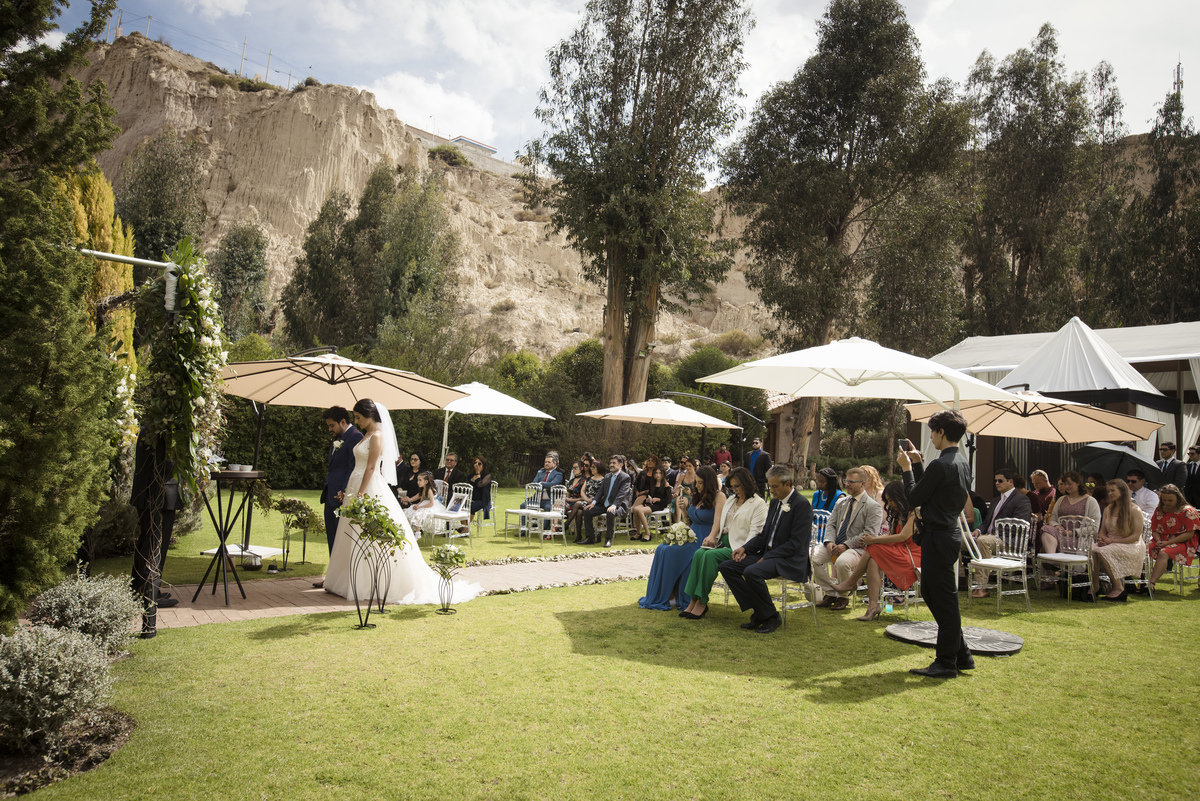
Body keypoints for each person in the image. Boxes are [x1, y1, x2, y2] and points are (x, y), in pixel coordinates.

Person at [323, 398, 482, 605]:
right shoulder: (364, 436)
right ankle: (346, 579)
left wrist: (361, 493)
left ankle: (371, 581)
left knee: (369, 532)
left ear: (370, 416)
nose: (357, 421)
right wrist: (348, 491)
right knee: (352, 532)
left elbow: (371, 468)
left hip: (368, 486)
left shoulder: (377, 436)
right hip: (355, 483)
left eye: (359, 417)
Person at [898, 409, 973, 678]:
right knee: (934, 594)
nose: (930, 436)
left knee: (943, 599)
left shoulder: (942, 464)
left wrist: (907, 469)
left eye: (932, 431)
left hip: (938, 536)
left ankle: (946, 661)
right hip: (946, 534)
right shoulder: (960, 461)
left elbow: (914, 496)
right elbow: (933, 490)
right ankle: (961, 653)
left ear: (941, 432)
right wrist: (918, 465)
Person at [718, 464, 813, 634]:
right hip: (769, 555)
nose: (771, 490)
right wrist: (744, 548)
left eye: (775, 486)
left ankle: (771, 616)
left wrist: (767, 558)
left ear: (788, 484)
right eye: (770, 486)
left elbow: (796, 543)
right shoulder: (776, 502)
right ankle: (760, 611)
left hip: (789, 559)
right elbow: (763, 535)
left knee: (752, 572)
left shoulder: (802, 504)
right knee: (727, 566)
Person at [679, 467, 766, 619]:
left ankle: (702, 601)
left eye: (737, 486)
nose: (735, 490)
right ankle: (693, 599)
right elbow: (720, 522)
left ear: (746, 483)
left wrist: (744, 549)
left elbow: (756, 532)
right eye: (732, 487)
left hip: (740, 545)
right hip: (723, 541)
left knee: (709, 557)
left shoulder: (758, 503)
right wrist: (713, 538)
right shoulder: (731, 499)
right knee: (699, 553)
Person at [829, 481, 922, 621]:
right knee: (873, 559)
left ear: (900, 497)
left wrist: (874, 540)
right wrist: (872, 538)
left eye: (891, 500)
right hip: (900, 551)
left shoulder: (916, 512)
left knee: (874, 547)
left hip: (912, 555)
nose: (889, 504)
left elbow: (903, 537)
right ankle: (873, 606)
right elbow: (890, 535)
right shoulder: (898, 514)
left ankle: (852, 581)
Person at [640, 466, 725, 610]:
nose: (697, 486)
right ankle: (666, 594)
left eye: (700, 483)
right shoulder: (697, 496)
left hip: (705, 538)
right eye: (696, 483)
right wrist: (685, 510)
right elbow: (691, 521)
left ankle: (673, 595)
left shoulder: (719, 496)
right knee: (662, 548)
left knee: (669, 551)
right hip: (691, 534)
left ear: (709, 482)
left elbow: (718, 522)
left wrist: (711, 537)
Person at [811, 467, 884, 610]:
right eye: (846, 480)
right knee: (811, 556)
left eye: (851, 482)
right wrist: (829, 542)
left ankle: (843, 597)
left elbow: (869, 534)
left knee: (842, 563)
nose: (847, 484)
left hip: (858, 548)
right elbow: (830, 525)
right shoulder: (841, 503)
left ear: (862, 483)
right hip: (835, 544)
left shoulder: (873, 506)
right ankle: (831, 592)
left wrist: (846, 545)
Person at [130, 430, 182, 624]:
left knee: (146, 542)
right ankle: (150, 591)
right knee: (156, 545)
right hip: (160, 495)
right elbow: (165, 465)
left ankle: (138, 588)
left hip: (145, 494)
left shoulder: (147, 430)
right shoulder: (164, 432)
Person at [968, 469, 1032, 599]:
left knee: (983, 541)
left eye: (1000, 480)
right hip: (990, 538)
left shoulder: (1022, 500)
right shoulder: (996, 500)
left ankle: (981, 587)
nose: (997, 483)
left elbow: (1019, 526)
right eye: (995, 481)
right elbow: (986, 522)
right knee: (957, 538)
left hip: (1010, 543)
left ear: (1010, 482)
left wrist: (992, 535)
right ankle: (960, 579)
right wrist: (978, 530)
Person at [1090, 479, 1147, 602]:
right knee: (1093, 549)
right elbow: (1103, 530)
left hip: (1130, 544)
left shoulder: (1134, 510)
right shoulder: (1108, 509)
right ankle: (1096, 585)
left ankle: (1118, 588)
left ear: (1122, 491)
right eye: (1108, 491)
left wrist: (1110, 541)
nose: (1110, 493)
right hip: (1110, 541)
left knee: (1102, 552)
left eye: (1112, 491)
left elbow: (1136, 536)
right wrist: (1102, 539)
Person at [319, 406, 363, 561]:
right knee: (332, 537)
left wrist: (345, 491)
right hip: (331, 493)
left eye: (332, 425)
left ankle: (342, 578)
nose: (330, 429)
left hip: (341, 495)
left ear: (343, 422)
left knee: (342, 538)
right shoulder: (340, 437)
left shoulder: (355, 437)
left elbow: (353, 468)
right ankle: (333, 577)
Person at [1148, 484, 1200, 588]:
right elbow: (1154, 529)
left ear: (1178, 498)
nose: (1167, 503)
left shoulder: (1187, 512)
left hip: (1183, 542)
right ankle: (1140, 581)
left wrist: (1167, 543)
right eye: (1164, 500)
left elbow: (1189, 534)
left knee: (1164, 552)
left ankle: (1151, 584)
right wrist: (1158, 541)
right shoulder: (1160, 510)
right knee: (1142, 549)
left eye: (1170, 500)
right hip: (1161, 540)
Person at [1040, 471, 1103, 555]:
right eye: (1065, 484)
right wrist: (1057, 526)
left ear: (1078, 483)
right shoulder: (1061, 500)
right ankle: (1051, 558)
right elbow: (1053, 518)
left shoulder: (1090, 501)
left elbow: (1094, 528)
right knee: (1046, 529)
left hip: (1078, 538)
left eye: (1069, 484)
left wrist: (1072, 532)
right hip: (1060, 535)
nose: (1066, 486)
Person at [581, 455, 632, 547]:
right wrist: (593, 503)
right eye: (610, 463)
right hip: (605, 504)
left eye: (614, 463)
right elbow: (600, 491)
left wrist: (614, 505)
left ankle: (608, 539)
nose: (611, 465)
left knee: (611, 512)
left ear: (620, 465)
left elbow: (622, 494)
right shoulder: (607, 476)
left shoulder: (625, 477)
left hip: (619, 506)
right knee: (587, 511)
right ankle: (590, 537)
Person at [520, 452, 564, 535]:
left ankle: (544, 531)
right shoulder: (540, 472)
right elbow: (534, 483)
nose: (546, 464)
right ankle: (523, 529)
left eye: (549, 462)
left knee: (548, 508)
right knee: (523, 505)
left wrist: (542, 484)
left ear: (554, 464)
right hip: (537, 499)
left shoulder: (558, 474)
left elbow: (553, 485)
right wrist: (546, 484)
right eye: (545, 462)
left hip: (549, 500)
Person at [631, 465, 673, 542]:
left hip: (660, 505)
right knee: (635, 508)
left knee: (640, 511)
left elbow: (668, 500)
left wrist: (658, 499)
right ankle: (639, 532)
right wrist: (646, 500)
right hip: (651, 503)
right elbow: (649, 495)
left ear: (663, 474)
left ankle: (648, 533)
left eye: (660, 473)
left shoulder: (666, 485)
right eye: (656, 473)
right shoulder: (652, 484)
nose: (658, 475)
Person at [568, 460, 605, 543]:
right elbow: (582, 491)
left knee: (577, 504)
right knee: (579, 512)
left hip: (596, 502)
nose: (591, 469)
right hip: (586, 500)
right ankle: (579, 536)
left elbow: (603, 494)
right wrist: (585, 499)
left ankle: (567, 524)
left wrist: (594, 500)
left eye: (593, 467)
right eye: (591, 467)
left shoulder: (604, 480)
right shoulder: (588, 479)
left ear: (599, 468)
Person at [468, 456, 493, 523]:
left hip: (482, 500)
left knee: (471, 507)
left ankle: (465, 527)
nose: (477, 465)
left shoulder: (487, 475)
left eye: (479, 464)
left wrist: (478, 473)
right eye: (475, 463)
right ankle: (464, 528)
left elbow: (480, 485)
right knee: (461, 506)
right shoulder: (470, 476)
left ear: (483, 466)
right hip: (471, 499)